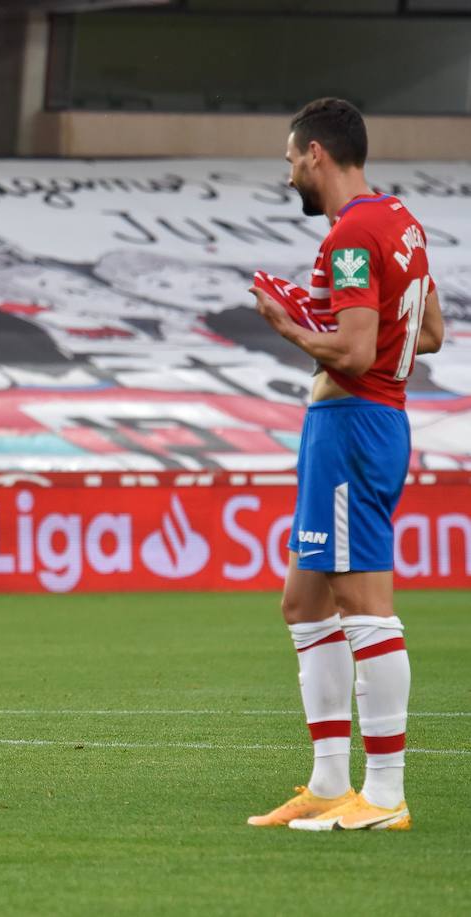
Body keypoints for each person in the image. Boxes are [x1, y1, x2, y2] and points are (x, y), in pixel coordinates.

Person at [246, 98, 443, 832]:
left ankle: (385, 793)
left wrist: (289, 323)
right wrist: (337, 323)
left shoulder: (353, 234)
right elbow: (429, 333)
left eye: (292, 157)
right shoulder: (401, 223)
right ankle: (331, 782)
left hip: (351, 426)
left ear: (317, 154)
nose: (290, 170)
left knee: (366, 606)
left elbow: (358, 353)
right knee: (303, 602)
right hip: (367, 422)